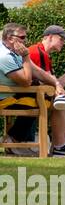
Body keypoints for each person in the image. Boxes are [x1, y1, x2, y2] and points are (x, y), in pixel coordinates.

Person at [25, 25, 65, 157]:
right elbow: (51, 85)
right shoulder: (37, 52)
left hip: (35, 93)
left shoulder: (44, 54)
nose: (63, 42)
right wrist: (62, 93)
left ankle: (61, 146)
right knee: (63, 104)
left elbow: (56, 84)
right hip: (28, 94)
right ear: (49, 37)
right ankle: (59, 147)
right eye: (61, 39)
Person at [0, 23, 39, 154]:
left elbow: (36, 73)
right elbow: (26, 81)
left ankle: (17, 139)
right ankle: (14, 139)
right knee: (40, 100)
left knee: (41, 95)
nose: (25, 41)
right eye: (22, 37)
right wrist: (26, 57)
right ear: (10, 38)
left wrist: (56, 84)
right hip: (4, 99)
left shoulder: (13, 52)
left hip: (10, 95)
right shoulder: (5, 56)